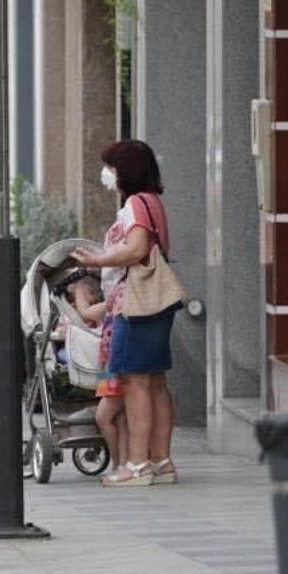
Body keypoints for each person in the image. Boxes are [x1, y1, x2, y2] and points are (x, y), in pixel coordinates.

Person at [73, 139, 180, 488]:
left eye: (112, 168)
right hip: (156, 303)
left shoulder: (134, 203)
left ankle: (136, 465)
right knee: (156, 382)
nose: (108, 175)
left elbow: (135, 249)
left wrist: (97, 260)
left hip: (133, 304)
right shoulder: (154, 202)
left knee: (135, 382)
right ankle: (161, 461)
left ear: (126, 171)